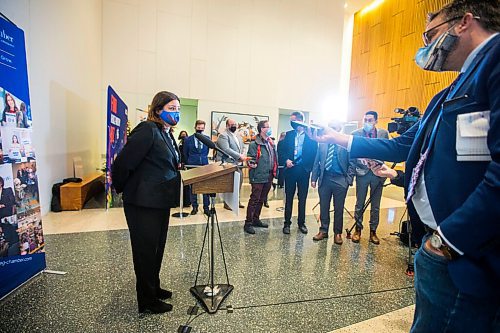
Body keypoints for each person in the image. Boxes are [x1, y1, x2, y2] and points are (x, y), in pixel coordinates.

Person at [310, 1, 500, 330]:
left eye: (430, 34)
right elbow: (402, 145)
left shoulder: (494, 62)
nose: (425, 47)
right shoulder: (449, 91)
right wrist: (340, 139)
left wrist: (447, 240)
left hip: (463, 253)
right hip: (438, 246)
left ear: (464, 23)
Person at [112, 91, 181, 314]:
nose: (176, 112)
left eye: (177, 108)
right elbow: (122, 163)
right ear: (157, 109)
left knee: (156, 249)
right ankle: (147, 301)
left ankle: (154, 288)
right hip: (143, 203)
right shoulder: (147, 129)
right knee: (144, 252)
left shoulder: (165, 133)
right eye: (171, 108)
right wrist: (125, 190)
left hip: (159, 201)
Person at [311, 122, 355, 245]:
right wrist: (314, 178)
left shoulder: (345, 144)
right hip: (325, 179)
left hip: (341, 180)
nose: (331, 131)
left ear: (339, 129)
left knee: (338, 208)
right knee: (324, 206)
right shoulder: (322, 144)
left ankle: (337, 233)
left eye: (334, 128)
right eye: (330, 128)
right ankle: (323, 230)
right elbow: (317, 162)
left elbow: (352, 163)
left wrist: (348, 180)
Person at [351, 111, 389, 245]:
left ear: (376, 121)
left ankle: (373, 231)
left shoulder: (383, 134)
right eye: (365, 119)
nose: (367, 122)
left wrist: (382, 168)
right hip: (362, 173)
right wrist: (361, 160)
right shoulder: (356, 134)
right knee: (359, 203)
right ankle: (358, 230)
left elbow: (387, 151)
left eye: (370, 120)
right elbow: (352, 154)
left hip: (377, 174)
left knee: (376, 206)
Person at [278, 111, 318, 234]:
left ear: (300, 120)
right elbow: (281, 150)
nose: (291, 122)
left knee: (302, 198)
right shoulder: (288, 135)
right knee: (288, 198)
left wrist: (308, 168)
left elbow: (313, 153)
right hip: (290, 170)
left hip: (303, 171)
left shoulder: (310, 136)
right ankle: (287, 223)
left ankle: (301, 223)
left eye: (293, 120)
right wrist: (286, 160)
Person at [244, 120, 277, 234]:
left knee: (262, 199)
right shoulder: (254, 144)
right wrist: (252, 163)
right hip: (258, 175)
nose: (269, 129)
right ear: (261, 129)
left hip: (269, 175)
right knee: (254, 199)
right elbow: (250, 159)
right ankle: (248, 223)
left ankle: (256, 219)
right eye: (267, 127)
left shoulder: (271, 143)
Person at [216, 118, 247, 209]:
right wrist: (239, 156)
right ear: (227, 125)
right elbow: (226, 149)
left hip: (238, 164)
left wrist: (243, 155)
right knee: (230, 184)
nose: (234, 126)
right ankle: (227, 203)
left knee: (239, 183)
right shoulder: (223, 135)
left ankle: (237, 201)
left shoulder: (238, 136)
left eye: (235, 124)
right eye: (231, 124)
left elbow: (243, 147)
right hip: (228, 164)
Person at [183, 120, 210, 216]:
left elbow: (206, 152)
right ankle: (194, 207)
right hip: (192, 165)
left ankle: (206, 207)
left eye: (202, 128)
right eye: (198, 128)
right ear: (195, 127)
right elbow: (185, 153)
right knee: (193, 187)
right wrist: (189, 162)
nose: (200, 130)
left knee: (205, 187)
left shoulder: (207, 138)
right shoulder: (188, 139)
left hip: (204, 165)